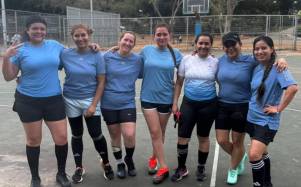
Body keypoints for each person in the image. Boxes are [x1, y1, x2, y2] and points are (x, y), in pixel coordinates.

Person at [2, 16, 71, 187]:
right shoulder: (20, 50)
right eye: (35, 28)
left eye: (42, 28)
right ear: (28, 30)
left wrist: (93, 48)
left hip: (53, 99)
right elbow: (9, 76)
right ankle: (35, 177)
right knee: (33, 140)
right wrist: (6, 58)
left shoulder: (55, 46)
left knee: (61, 138)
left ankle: (61, 174)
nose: (39, 31)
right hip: (28, 101)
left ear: (45, 30)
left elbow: (74, 55)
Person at [215, 32, 287, 184]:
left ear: (240, 45)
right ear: (223, 47)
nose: (230, 48)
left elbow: (267, 58)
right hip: (222, 105)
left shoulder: (251, 60)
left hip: (241, 107)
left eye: (233, 44)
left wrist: (281, 59)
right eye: (226, 45)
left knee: (237, 142)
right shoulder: (220, 61)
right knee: (221, 140)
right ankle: (239, 156)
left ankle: (233, 169)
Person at [60, 24, 114, 183]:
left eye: (83, 35)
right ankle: (79, 167)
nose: (80, 38)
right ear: (72, 37)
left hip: (90, 99)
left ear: (89, 35)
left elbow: (102, 82)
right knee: (76, 134)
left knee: (96, 133)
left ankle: (106, 163)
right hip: (70, 99)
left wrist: (92, 105)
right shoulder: (65, 54)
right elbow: (46, 63)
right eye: (77, 36)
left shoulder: (97, 55)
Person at [247, 35, 298, 187]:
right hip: (252, 117)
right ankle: (267, 182)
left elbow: (293, 88)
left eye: (264, 48)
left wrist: (278, 108)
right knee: (262, 154)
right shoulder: (257, 66)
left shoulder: (278, 68)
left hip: (267, 121)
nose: (259, 51)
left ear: (272, 49)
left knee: (254, 155)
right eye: (256, 49)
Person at [171, 33, 218, 182]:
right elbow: (179, 83)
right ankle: (181, 168)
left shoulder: (216, 62)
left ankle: (201, 167)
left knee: (203, 137)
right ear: (195, 44)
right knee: (182, 137)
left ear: (211, 45)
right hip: (189, 104)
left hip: (209, 105)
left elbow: (223, 82)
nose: (203, 46)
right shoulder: (187, 60)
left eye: (206, 43)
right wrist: (174, 103)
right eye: (200, 43)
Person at [140, 23, 183, 184]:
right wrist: (115, 48)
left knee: (160, 133)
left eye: (164, 34)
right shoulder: (146, 51)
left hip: (166, 99)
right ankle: (163, 167)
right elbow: (129, 59)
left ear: (169, 35)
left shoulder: (176, 54)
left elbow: (181, 76)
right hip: (148, 98)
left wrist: (175, 101)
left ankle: (153, 157)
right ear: (154, 36)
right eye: (158, 34)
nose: (161, 37)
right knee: (155, 132)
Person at [101, 31, 142, 179]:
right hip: (108, 103)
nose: (128, 43)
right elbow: (92, 60)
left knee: (129, 134)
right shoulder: (106, 56)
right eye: (125, 40)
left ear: (134, 45)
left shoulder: (138, 60)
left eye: (131, 41)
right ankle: (119, 163)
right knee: (115, 135)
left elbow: (150, 70)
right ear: (119, 41)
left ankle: (129, 159)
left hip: (127, 102)